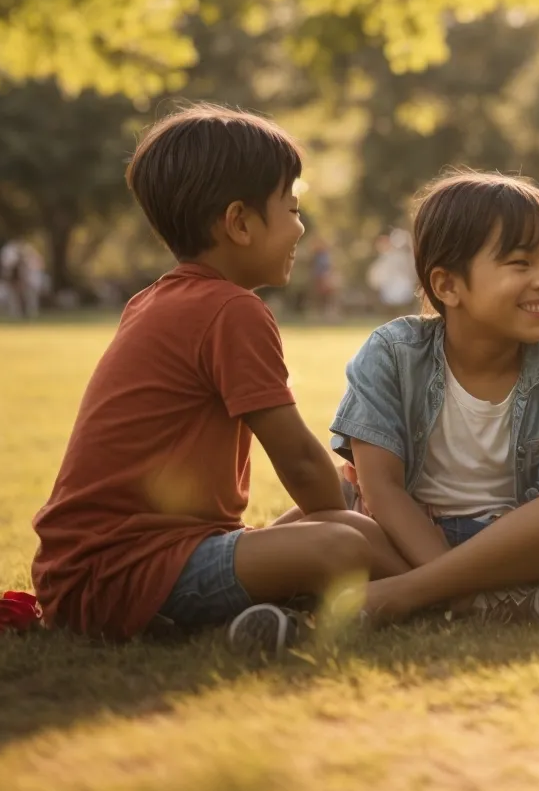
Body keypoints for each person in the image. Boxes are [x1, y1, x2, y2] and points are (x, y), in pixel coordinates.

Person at [29, 104, 403, 653]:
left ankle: (254, 615)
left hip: (137, 560)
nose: (301, 227)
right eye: (293, 209)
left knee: (348, 512)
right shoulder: (231, 310)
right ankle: (449, 593)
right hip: (120, 571)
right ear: (239, 223)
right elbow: (299, 461)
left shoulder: (160, 299)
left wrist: (348, 506)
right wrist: (350, 514)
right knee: (344, 541)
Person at [331, 171, 539, 623]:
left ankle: (419, 598)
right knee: (335, 527)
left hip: (508, 547)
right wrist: (447, 570)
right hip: (403, 534)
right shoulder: (392, 354)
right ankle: (488, 601)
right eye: (520, 264)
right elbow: (381, 490)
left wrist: (426, 585)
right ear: (447, 286)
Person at [367, 227, 417, 312]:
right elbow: (376, 277)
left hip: (402, 290)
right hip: (390, 291)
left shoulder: (400, 256)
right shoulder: (385, 259)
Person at [309, 235, 341, 320]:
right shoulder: (316, 256)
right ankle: (319, 314)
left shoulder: (325, 255)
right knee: (320, 297)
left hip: (325, 278)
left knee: (329, 297)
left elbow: (329, 267)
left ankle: (330, 314)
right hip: (320, 278)